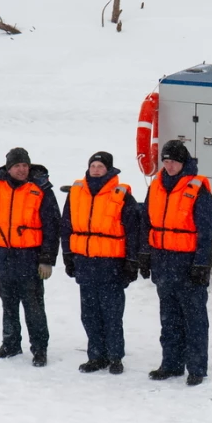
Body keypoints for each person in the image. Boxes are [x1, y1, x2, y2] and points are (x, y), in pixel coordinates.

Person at [139, 140, 212, 387]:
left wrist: (202, 264)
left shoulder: (197, 188)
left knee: (194, 318)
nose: (169, 165)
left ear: (183, 163)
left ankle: (196, 367)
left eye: (173, 161)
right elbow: (146, 223)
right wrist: (145, 255)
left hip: (187, 263)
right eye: (166, 160)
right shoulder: (156, 186)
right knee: (169, 318)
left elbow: (206, 231)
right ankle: (171, 364)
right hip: (163, 262)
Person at [0, 147, 61, 367]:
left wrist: (46, 259)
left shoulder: (41, 189)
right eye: (17, 166)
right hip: (2, 256)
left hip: (30, 257)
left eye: (25, 165)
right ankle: (11, 344)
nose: (22, 170)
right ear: (9, 167)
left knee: (34, 306)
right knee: (8, 304)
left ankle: (39, 348)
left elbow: (52, 227)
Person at [61, 151, 140, 375]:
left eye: (100, 166)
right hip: (84, 262)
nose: (96, 169)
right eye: (93, 165)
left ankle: (115, 357)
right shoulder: (76, 192)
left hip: (111, 264)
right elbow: (66, 225)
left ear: (109, 169)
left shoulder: (121, 194)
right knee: (89, 314)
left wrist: (131, 261)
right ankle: (96, 356)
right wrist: (68, 255)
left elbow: (133, 230)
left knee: (112, 314)